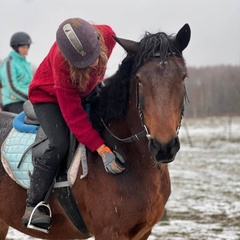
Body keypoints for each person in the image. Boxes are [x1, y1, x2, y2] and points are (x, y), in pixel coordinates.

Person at [21, 17, 125, 230]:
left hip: (86, 88)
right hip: (48, 96)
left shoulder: (108, 35)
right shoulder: (61, 64)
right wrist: (101, 149)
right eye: (85, 63)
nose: (95, 64)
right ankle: (34, 205)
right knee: (59, 143)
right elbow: (74, 117)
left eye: (95, 57)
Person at [0, 32, 32, 113]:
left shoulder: (25, 64)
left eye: (27, 47)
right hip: (13, 101)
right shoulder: (9, 63)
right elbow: (12, 87)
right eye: (24, 47)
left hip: (25, 101)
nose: (26, 50)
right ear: (16, 47)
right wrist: (29, 97)